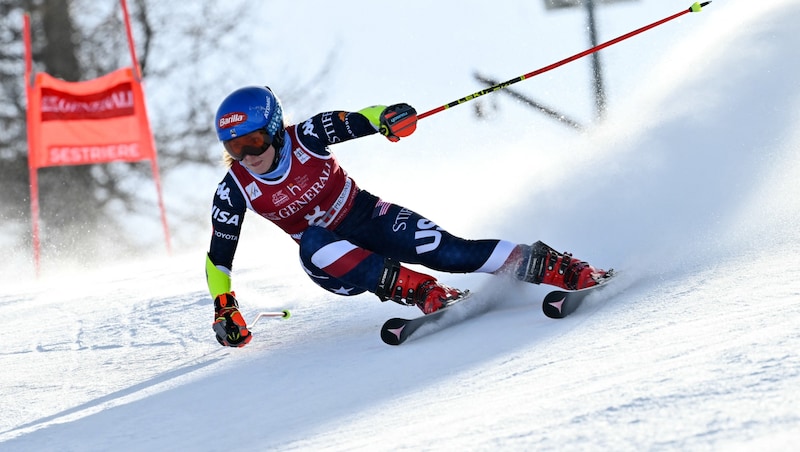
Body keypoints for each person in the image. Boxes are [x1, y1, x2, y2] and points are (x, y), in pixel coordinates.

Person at [206, 86, 609, 347]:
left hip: (368, 215)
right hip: (333, 265)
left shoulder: (306, 137)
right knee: (313, 240)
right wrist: (225, 307)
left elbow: (355, 119)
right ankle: (421, 291)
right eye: (235, 146)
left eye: (254, 140)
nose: (248, 154)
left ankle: (558, 267)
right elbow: (218, 258)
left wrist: (386, 118)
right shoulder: (234, 188)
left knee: (450, 252)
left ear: (275, 128)